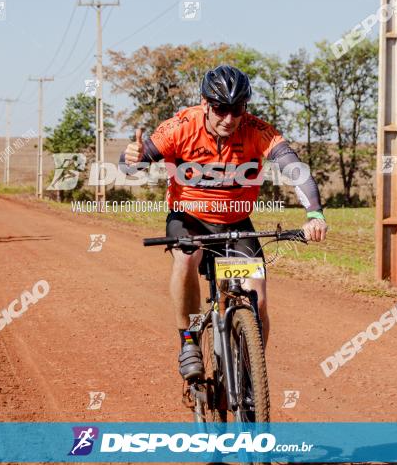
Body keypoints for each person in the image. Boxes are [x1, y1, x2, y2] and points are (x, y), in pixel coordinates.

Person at [120, 65, 328, 382]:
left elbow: (294, 169)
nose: (229, 118)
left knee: (256, 299)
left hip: (235, 222)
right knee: (187, 257)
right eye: (220, 109)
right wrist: (130, 158)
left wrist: (314, 213)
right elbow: (134, 164)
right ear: (205, 104)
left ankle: (249, 375)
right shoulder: (180, 126)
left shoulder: (258, 131)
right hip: (189, 218)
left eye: (237, 109)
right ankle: (188, 343)